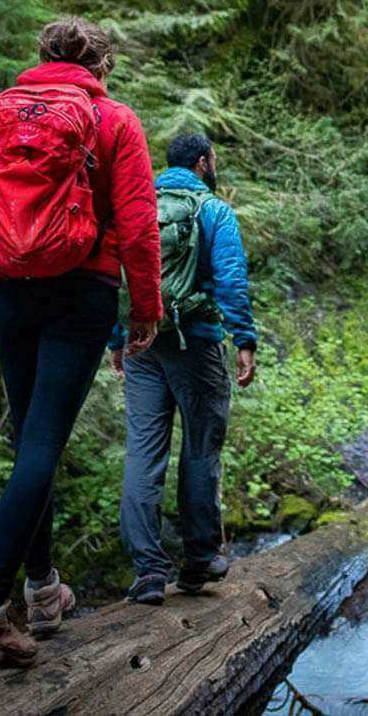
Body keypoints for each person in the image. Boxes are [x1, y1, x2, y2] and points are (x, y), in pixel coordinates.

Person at [0, 16, 161, 671]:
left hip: (12, 292)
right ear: (101, 68)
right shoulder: (113, 121)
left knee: (32, 438)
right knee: (43, 443)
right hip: (83, 292)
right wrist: (146, 308)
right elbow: (138, 223)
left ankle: (44, 591)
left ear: (41, 59)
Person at [114, 133, 257, 605]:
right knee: (200, 446)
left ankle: (149, 573)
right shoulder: (213, 210)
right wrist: (244, 339)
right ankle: (198, 559)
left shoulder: (138, 205)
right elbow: (232, 277)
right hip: (194, 342)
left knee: (143, 451)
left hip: (142, 345)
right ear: (202, 163)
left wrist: (117, 340)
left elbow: (118, 274)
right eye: (213, 160)